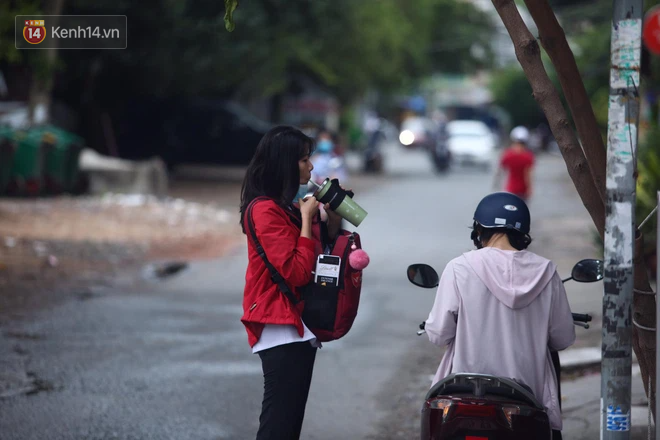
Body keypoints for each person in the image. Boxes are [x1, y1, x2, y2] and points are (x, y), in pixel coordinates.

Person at [424, 192, 575, 439]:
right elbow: (563, 339)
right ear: (523, 234)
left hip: (468, 394)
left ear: (478, 230)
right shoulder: (547, 272)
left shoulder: (459, 267)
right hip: (528, 396)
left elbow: (439, 334)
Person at [239, 126, 343, 440]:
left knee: (289, 425)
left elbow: (326, 246)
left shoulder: (285, 207)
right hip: (278, 327)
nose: (311, 166)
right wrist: (307, 219)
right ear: (283, 163)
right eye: (303, 159)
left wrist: (331, 214)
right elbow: (297, 271)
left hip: (296, 326)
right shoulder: (264, 210)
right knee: (278, 427)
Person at [493, 126, 535, 200]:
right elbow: (527, 174)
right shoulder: (528, 156)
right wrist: (529, 188)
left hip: (510, 189)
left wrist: (496, 183)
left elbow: (499, 171)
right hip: (523, 191)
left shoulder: (507, 154)